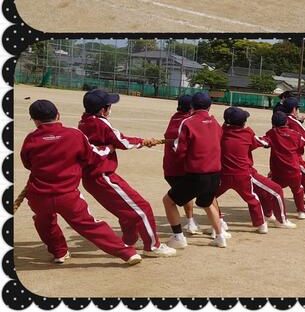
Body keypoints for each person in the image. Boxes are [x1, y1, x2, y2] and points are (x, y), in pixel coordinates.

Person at [20, 99, 142, 267]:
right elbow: (92, 156)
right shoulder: (74, 134)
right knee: (89, 225)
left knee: (44, 222)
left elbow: (27, 163)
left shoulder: (31, 138)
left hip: (39, 195)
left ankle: (59, 252)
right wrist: (109, 148)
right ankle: (126, 252)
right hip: (67, 195)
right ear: (58, 115)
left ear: (35, 120)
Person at [77, 90, 175, 257]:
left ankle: (130, 240)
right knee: (142, 208)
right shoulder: (100, 123)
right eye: (109, 106)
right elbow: (121, 141)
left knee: (126, 211)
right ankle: (153, 247)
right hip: (102, 176)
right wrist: (142, 141)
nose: (110, 108)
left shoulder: (84, 121)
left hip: (93, 177)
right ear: (102, 109)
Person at [162, 91, 226, 249]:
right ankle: (220, 236)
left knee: (168, 201)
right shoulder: (215, 122)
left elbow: (181, 150)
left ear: (192, 106)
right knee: (208, 203)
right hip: (215, 174)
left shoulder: (188, 122)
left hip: (197, 175)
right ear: (210, 106)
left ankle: (178, 237)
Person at [216, 106, 294, 232]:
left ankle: (218, 221)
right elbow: (261, 142)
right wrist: (277, 137)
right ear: (242, 123)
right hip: (244, 175)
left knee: (209, 198)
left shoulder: (220, 132)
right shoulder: (247, 133)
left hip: (222, 175)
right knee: (271, 192)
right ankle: (269, 223)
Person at [162, 95, 202, 236]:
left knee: (183, 196)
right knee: (196, 194)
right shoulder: (187, 122)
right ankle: (190, 223)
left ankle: (190, 222)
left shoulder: (175, 118)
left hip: (169, 168)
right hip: (181, 168)